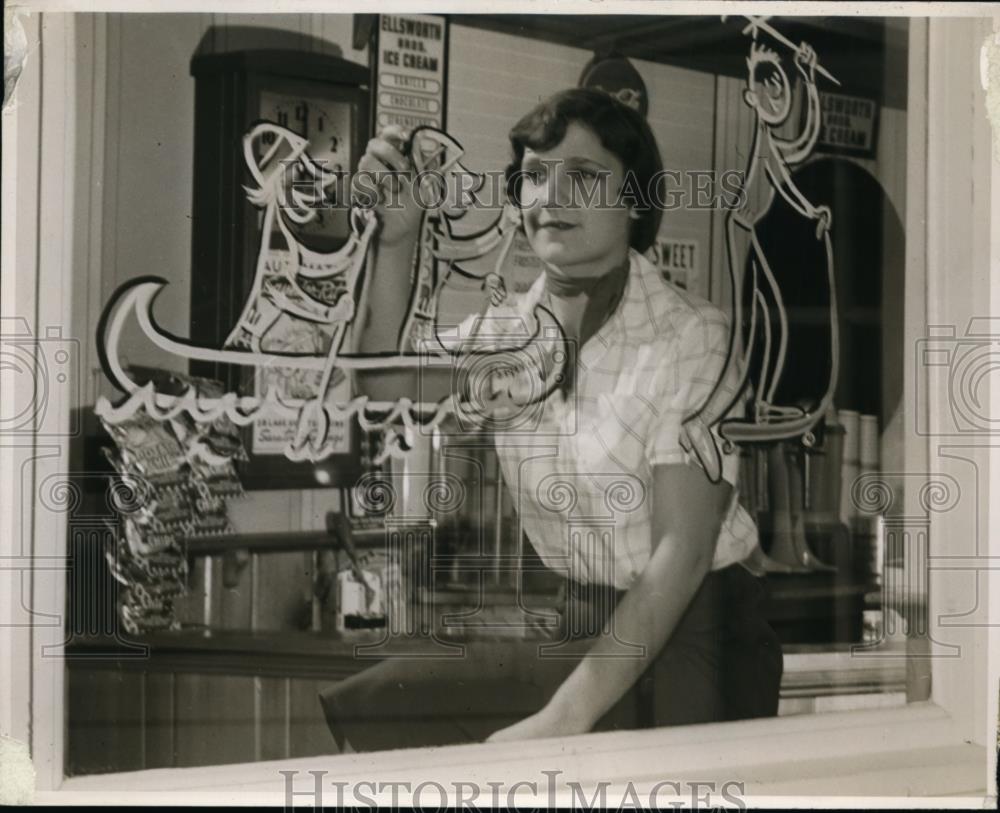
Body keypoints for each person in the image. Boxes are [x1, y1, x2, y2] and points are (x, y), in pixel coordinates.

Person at [319, 88, 783, 751]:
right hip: (583, 627)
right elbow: (382, 378)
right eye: (534, 176)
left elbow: (680, 555)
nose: (548, 197)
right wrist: (398, 238)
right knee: (380, 705)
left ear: (634, 200)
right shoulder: (506, 332)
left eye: (583, 177)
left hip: (698, 638)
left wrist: (566, 714)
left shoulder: (694, 336)